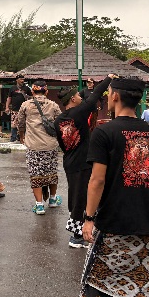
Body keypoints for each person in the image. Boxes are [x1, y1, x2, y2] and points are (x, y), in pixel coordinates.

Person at [70, 78, 149, 297]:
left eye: (108, 94)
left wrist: (89, 218)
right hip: (147, 221)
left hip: (112, 221)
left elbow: (97, 180)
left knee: (97, 279)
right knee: (142, 283)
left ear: (115, 96)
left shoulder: (104, 132)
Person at [56, 75, 114, 248]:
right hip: (82, 162)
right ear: (73, 99)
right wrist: (108, 79)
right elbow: (95, 95)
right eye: (79, 96)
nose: (82, 97)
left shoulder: (59, 120)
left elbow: (62, 144)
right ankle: (76, 237)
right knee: (82, 197)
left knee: (76, 196)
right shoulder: (80, 112)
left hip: (69, 161)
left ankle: (81, 233)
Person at [16, 79, 62, 215]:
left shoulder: (25, 105)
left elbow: (20, 123)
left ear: (32, 91)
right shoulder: (53, 105)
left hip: (33, 145)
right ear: (46, 91)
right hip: (50, 145)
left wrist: (21, 136)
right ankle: (53, 200)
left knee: (36, 175)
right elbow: (60, 122)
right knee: (52, 173)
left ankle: (39, 205)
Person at [5, 74, 32, 143]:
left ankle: (23, 139)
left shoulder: (26, 88)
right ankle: (13, 139)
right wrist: (7, 107)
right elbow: (9, 98)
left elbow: (32, 98)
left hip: (25, 110)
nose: (22, 80)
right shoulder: (12, 88)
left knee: (24, 124)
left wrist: (26, 96)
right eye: (21, 79)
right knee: (14, 124)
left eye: (23, 79)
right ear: (17, 80)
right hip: (15, 109)